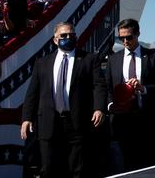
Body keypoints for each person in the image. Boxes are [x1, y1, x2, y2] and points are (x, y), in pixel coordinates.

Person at [21, 22, 106, 178]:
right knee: (49, 168)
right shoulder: (42, 63)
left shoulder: (89, 59)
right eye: (63, 35)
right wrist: (27, 118)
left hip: (76, 123)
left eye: (71, 35)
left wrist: (99, 108)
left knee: (77, 169)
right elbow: (32, 93)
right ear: (55, 40)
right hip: (49, 123)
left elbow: (99, 86)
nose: (68, 38)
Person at [106, 18, 155, 172]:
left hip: (147, 118)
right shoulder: (113, 60)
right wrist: (110, 105)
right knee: (126, 163)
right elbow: (106, 87)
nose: (125, 41)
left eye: (129, 37)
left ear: (138, 34)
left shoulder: (153, 57)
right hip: (122, 119)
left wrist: (144, 88)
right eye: (122, 38)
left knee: (148, 163)